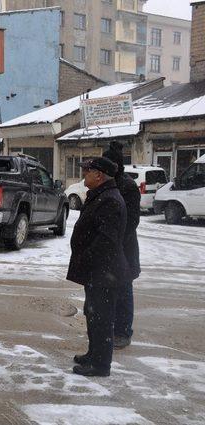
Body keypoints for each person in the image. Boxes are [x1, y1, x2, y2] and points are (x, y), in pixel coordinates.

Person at [67, 157, 130, 377]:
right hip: (98, 270)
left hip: (105, 271)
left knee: (102, 318)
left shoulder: (110, 200)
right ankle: (93, 354)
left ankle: (101, 365)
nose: (84, 175)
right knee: (93, 314)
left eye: (88, 171)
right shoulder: (102, 196)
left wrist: (86, 256)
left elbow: (106, 240)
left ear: (99, 175)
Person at [102, 142, 141, 349]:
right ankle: (110, 329)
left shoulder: (127, 186)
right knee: (108, 290)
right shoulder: (107, 185)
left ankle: (123, 331)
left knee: (124, 290)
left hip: (124, 249)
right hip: (109, 248)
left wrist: (112, 237)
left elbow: (132, 220)